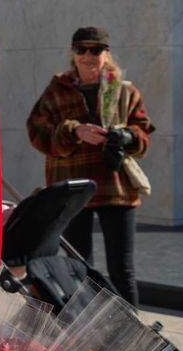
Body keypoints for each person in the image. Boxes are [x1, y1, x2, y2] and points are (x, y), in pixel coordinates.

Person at [26, 27, 153, 306]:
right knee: (79, 266)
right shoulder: (57, 89)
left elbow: (144, 134)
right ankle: (87, 335)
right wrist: (73, 130)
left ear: (107, 54)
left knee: (123, 270)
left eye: (96, 49)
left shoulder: (124, 91)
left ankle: (129, 335)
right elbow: (37, 132)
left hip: (115, 187)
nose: (88, 56)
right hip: (73, 188)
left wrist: (127, 136)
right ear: (73, 53)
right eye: (81, 49)